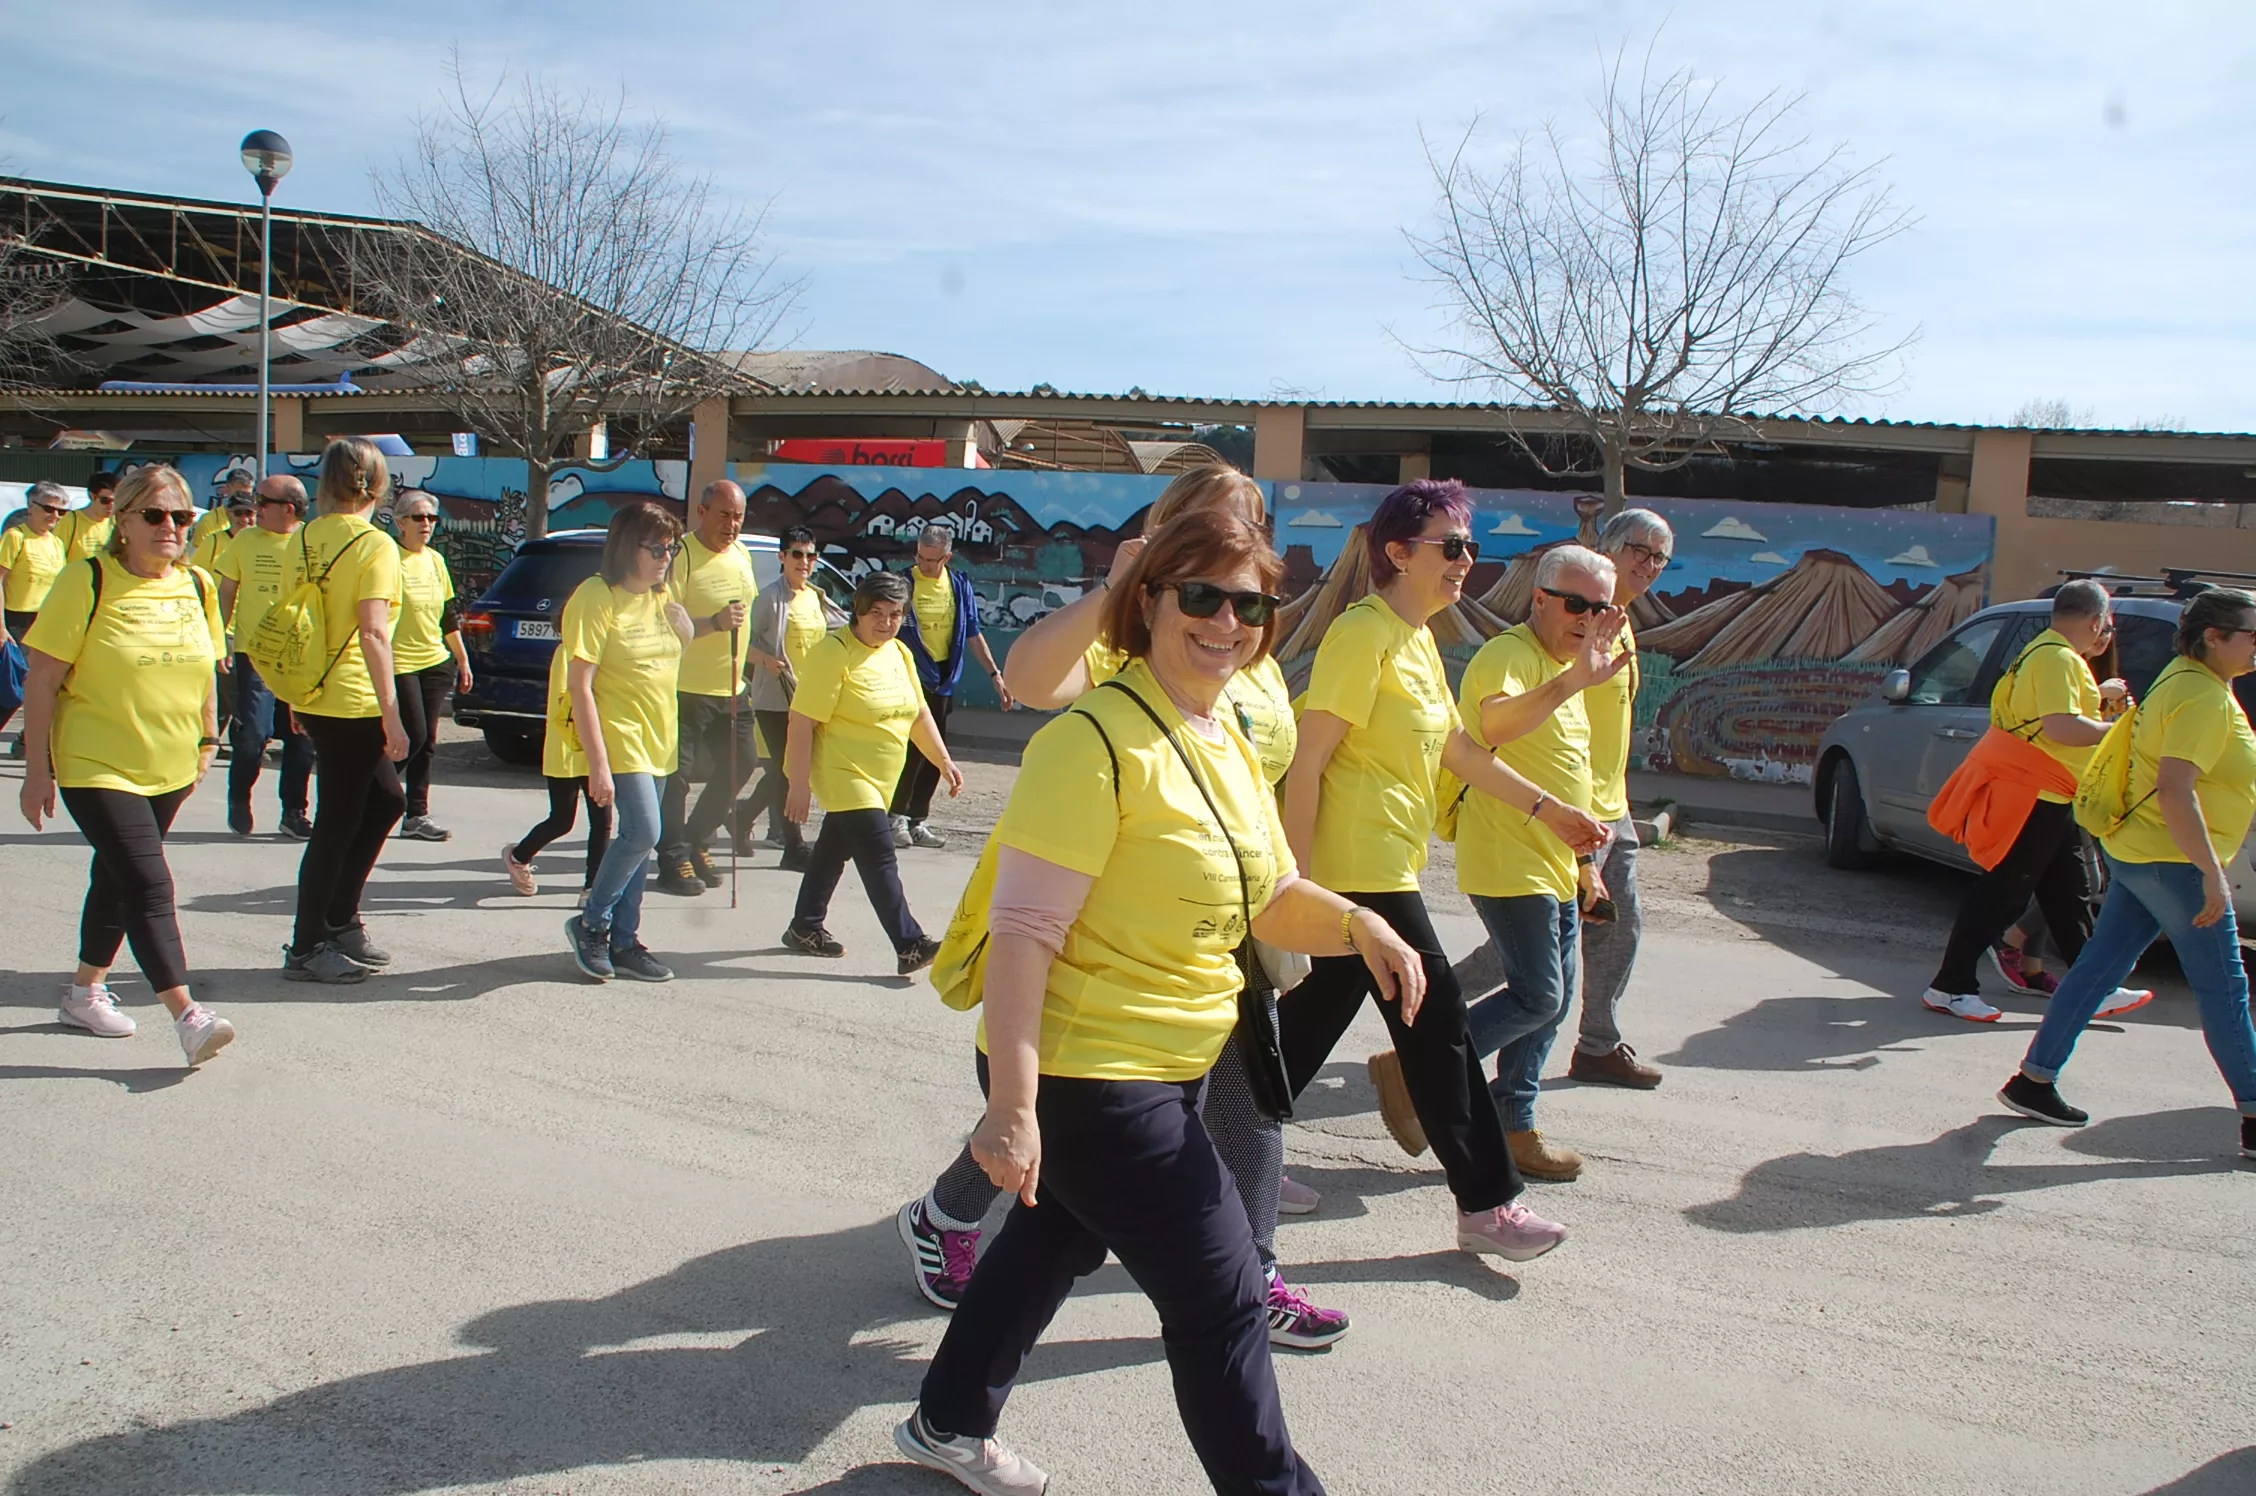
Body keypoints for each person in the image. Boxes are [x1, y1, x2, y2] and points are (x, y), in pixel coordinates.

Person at [896, 509, 1426, 1496]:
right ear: (1148, 602)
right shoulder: (1093, 743)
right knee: (1222, 1295)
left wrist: (1360, 923)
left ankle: (947, 1418)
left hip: (1169, 1060)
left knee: (1057, 1233)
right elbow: (1024, 935)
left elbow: (1270, 893)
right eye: (1203, 596)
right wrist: (1013, 1106)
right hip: (1087, 1069)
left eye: (1249, 605)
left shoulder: (1221, 734)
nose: (1226, 621)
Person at [902, 468, 1349, 1348]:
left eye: (1250, 527)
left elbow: (1263, 778)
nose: (1228, 575)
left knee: (1245, 1101)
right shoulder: (1138, 633)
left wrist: (1297, 896)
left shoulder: (1247, 647)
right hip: (1118, 913)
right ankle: (952, 1212)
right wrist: (1117, 588)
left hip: (1225, 910)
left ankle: (1251, 1275)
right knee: (1069, 1112)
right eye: (1206, 531)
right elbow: (1032, 679)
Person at [1280, 478, 1605, 1261]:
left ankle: (1226, 1147)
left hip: (1388, 862)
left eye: (1470, 546)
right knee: (1440, 1028)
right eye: (1451, 546)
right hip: (1355, 873)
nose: (1466, 560)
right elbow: (1308, 760)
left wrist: (1548, 810)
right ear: (1398, 552)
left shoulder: (1418, 639)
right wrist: (1296, 885)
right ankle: (1489, 1204)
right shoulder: (1362, 635)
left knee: (1302, 1029)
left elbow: (1460, 749)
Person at [1998, 586, 2256, 1167]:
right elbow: (2176, 788)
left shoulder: (2184, 679)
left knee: (2096, 970)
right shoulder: (2201, 697)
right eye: (2251, 633)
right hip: (2174, 862)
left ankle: (2033, 1081)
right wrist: (2211, 872)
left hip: (2141, 852)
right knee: (2225, 990)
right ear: (2213, 638)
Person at [15, 463, 237, 1066]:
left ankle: (84, 992)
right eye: (155, 515)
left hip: (170, 763)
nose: (171, 527)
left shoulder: (197, 584)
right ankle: (189, 1015)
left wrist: (207, 740)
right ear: (123, 520)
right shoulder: (86, 579)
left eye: (181, 516)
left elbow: (208, 669)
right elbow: (42, 679)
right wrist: (38, 770)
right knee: (149, 881)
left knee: (118, 877)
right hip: (95, 761)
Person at [1455, 544, 1626, 1184]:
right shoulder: (1511, 655)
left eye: (1601, 608)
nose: (1588, 618)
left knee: (1553, 1002)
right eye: (1576, 603)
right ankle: (1423, 1066)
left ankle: (1515, 1124)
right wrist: (1573, 681)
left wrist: (1587, 865)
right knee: (1539, 995)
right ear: (1540, 600)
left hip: (1556, 863)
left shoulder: (1568, 669)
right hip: (1508, 858)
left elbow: (1565, 770)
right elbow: (1493, 728)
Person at [1924, 579, 2152, 1022]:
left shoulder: (2047, 651)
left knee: (2069, 897)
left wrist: (2100, 700)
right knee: (2002, 893)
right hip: (2033, 792)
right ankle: (1950, 987)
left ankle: (2095, 989)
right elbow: (2062, 728)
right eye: (2105, 624)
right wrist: (2124, 731)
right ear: (2096, 621)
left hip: (2049, 791)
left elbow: (2056, 715)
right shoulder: (2058, 658)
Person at [782, 570, 960, 975]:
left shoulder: (900, 653)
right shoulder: (833, 653)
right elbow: (802, 721)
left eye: (896, 614)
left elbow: (919, 714)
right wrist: (798, 783)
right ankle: (909, 944)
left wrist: (943, 761)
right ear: (858, 611)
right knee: (880, 854)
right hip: (843, 772)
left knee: (832, 850)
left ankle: (805, 926)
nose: (886, 622)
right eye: (877, 612)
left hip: (881, 777)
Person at [281, 438, 410, 986]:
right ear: (378, 484)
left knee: (386, 802)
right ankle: (308, 943)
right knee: (337, 822)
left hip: (317, 690)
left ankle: (339, 919)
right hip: (353, 698)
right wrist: (392, 715)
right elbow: (374, 631)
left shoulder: (304, 536)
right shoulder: (375, 545)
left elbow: (296, 620)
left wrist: (295, 694)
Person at [559, 501, 690, 984]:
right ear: (626, 547)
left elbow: (667, 657)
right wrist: (598, 764)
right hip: (621, 736)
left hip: (660, 736)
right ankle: (591, 922)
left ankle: (625, 940)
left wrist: (687, 630)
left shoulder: (661, 594)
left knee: (638, 841)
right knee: (644, 833)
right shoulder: (596, 597)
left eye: (671, 548)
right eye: (656, 548)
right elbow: (580, 685)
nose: (665, 557)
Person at [1572, 507, 1673, 1088]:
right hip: (1573, 809)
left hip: (1614, 808)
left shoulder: (1623, 620)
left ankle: (1597, 1045)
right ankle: (1434, 1022)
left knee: (1620, 928)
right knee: (1534, 950)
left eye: (1661, 557)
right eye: (1642, 551)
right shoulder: (1582, 616)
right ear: (1608, 548)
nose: (1651, 565)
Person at [653, 479, 760, 896]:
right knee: (677, 778)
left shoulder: (742, 553)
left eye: (738, 517)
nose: (731, 525)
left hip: (732, 687)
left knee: (742, 764)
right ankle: (672, 858)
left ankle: (696, 838)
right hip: (686, 688)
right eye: (723, 515)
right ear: (701, 513)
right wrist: (714, 623)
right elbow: (666, 624)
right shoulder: (682, 556)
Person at [890, 521, 1011, 850]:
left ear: (947, 558)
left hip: (943, 678)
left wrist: (995, 675)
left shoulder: (958, 585)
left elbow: (973, 632)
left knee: (935, 752)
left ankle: (917, 820)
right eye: (920, 557)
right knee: (911, 749)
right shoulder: (902, 583)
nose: (924, 565)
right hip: (908, 676)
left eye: (932, 560)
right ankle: (894, 816)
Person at [735, 525, 845, 870]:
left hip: (807, 696)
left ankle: (741, 818)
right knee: (787, 769)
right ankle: (793, 846)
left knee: (788, 768)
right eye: (796, 554)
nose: (804, 561)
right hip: (774, 698)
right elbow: (741, 644)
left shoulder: (816, 596)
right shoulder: (769, 599)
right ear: (782, 557)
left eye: (810, 555)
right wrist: (766, 660)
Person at [215, 475, 315, 839]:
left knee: (301, 737)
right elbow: (227, 591)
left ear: (287, 509)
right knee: (254, 734)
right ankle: (239, 795)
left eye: (262, 502)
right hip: (254, 654)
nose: (255, 508)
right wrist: (219, 640)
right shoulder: (246, 540)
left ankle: (294, 812)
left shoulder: (312, 541)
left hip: (302, 656)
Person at [391, 489, 474, 843]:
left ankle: (416, 814)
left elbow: (447, 616)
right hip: (399, 661)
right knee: (412, 735)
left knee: (426, 741)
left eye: (431, 518)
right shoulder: (389, 559)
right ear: (400, 522)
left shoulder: (436, 561)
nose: (426, 524)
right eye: (418, 517)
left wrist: (462, 659)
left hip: (435, 660)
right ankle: (368, 790)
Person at [502, 641, 613, 904]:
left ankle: (592, 888)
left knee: (602, 822)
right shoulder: (569, 652)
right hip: (568, 747)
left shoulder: (606, 652)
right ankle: (518, 856)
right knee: (562, 820)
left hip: (598, 749)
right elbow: (569, 700)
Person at [0, 481, 71, 748]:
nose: (55, 516)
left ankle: (28, 740)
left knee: (41, 686)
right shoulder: (16, 537)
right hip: (15, 621)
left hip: (44, 622)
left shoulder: (56, 543)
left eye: (61, 512)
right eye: (49, 509)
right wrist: (1, 627)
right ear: (32, 507)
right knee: (12, 687)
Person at [57, 470, 118, 562]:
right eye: (105, 500)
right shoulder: (71, 520)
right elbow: (56, 557)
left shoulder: (115, 522)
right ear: (92, 496)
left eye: (115, 501)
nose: (111, 506)